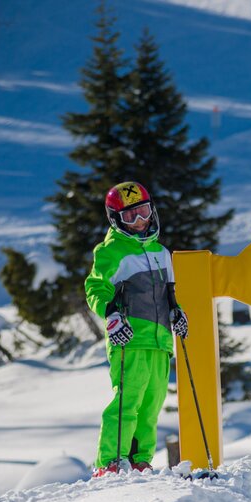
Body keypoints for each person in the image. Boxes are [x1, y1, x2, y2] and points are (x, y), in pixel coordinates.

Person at [85, 181, 189, 477]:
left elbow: (169, 294)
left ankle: (140, 460)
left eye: (143, 211)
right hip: (129, 337)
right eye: (130, 216)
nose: (140, 220)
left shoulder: (162, 253)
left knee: (152, 403)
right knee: (128, 399)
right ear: (116, 220)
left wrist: (177, 312)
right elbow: (95, 289)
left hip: (160, 340)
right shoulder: (112, 252)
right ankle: (111, 460)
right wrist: (111, 315)